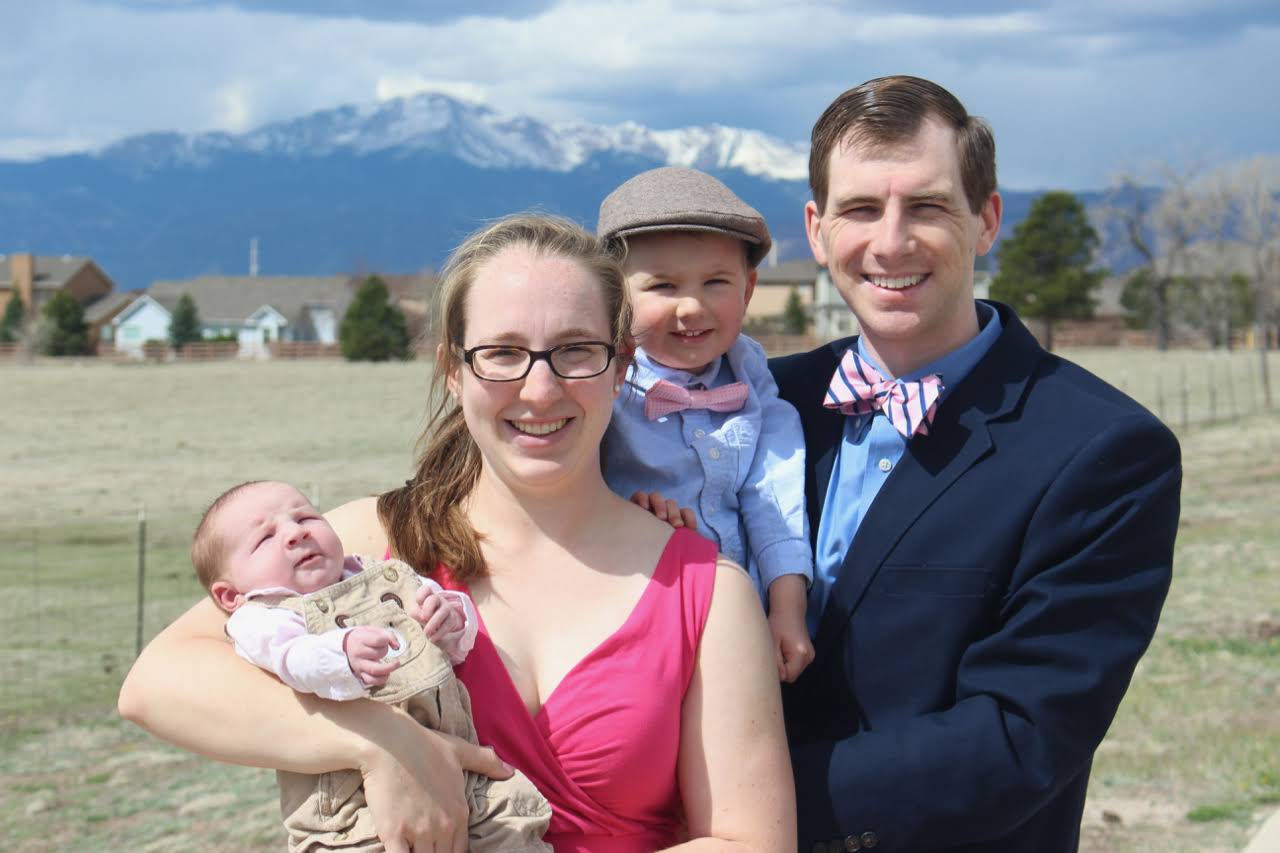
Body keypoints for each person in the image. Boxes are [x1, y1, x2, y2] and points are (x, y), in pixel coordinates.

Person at [118, 213, 795, 853]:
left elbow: (753, 841)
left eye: (575, 351)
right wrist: (380, 741)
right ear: (453, 367)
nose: (539, 389)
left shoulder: (707, 594)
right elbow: (154, 684)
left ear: (620, 365)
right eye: (502, 353)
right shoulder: (368, 543)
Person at [772, 75, 1182, 852]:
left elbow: (1019, 736)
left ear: (986, 219)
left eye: (925, 206)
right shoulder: (762, 407)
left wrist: (741, 799)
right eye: (861, 209)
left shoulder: (1105, 451)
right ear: (818, 230)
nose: (890, 241)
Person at [191, 478, 551, 852]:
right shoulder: (261, 618)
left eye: (305, 518)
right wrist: (340, 653)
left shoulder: (385, 576)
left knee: (511, 831)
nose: (295, 534)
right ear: (230, 595)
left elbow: (456, 649)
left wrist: (449, 620)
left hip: (463, 776)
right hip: (349, 807)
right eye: (264, 538)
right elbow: (291, 660)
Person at [597, 166, 815, 682]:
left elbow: (774, 497)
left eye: (717, 282)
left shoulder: (751, 378)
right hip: (633, 608)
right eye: (663, 285)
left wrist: (787, 609)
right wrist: (628, 523)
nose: (692, 306)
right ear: (612, 296)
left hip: (740, 619)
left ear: (748, 288)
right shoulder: (600, 384)